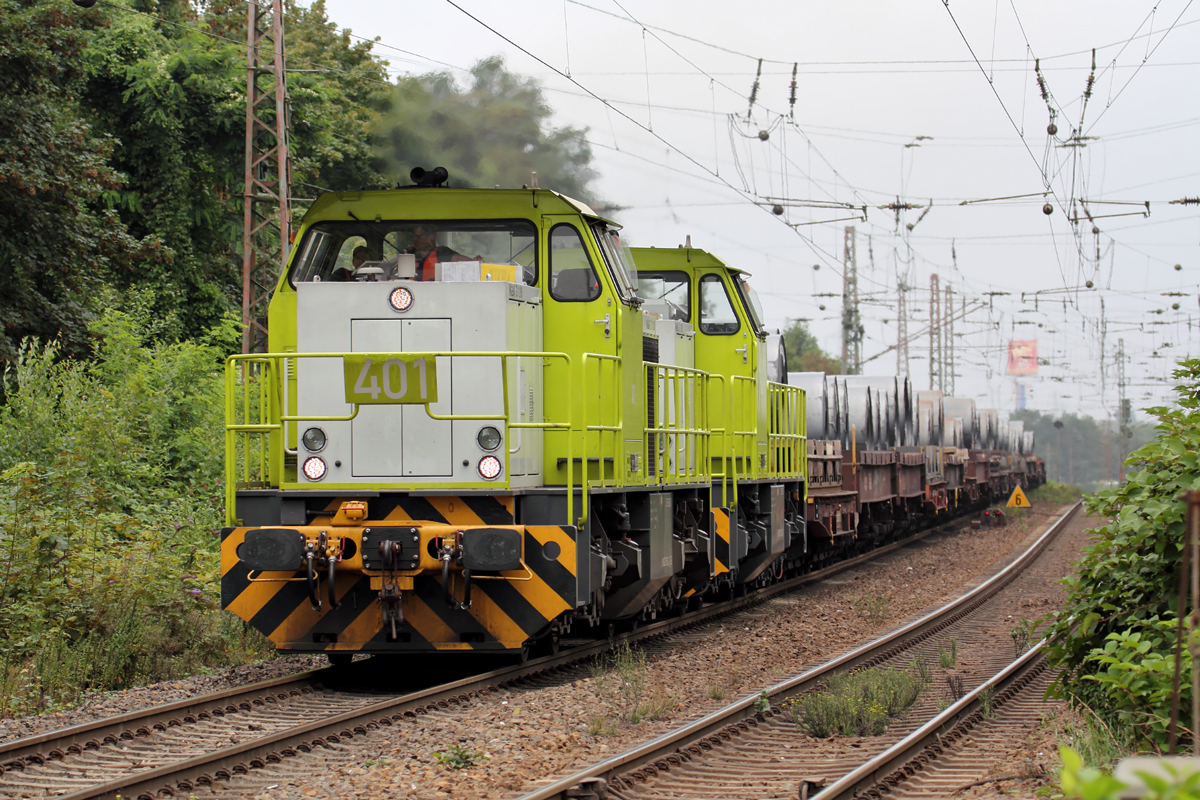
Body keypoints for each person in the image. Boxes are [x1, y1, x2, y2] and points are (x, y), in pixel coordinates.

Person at [407, 226, 476, 281]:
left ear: (431, 237)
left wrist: (474, 262)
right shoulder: (408, 255)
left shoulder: (441, 252)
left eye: (420, 236)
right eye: (414, 236)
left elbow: (458, 258)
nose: (415, 239)